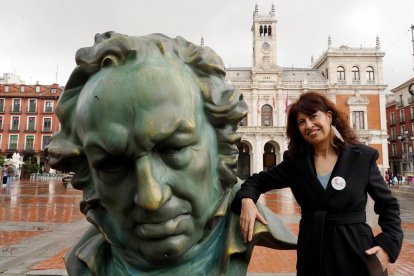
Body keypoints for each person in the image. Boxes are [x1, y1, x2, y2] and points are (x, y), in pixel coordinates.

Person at [46, 32, 296, 275]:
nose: (151, 199)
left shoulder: (248, 213)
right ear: (87, 171)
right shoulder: (83, 261)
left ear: (220, 142)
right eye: (114, 163)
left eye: (174, 148)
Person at [231, 92, 403, 276]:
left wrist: (388, 246)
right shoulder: (296, 162)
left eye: (313, 116)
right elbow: (257, 181)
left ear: (329, 117)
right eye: (301, 122)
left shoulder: (361, 156)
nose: (309, 125)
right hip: (313, 251)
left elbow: (388, 205)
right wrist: (247, 199)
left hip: (356, 250)